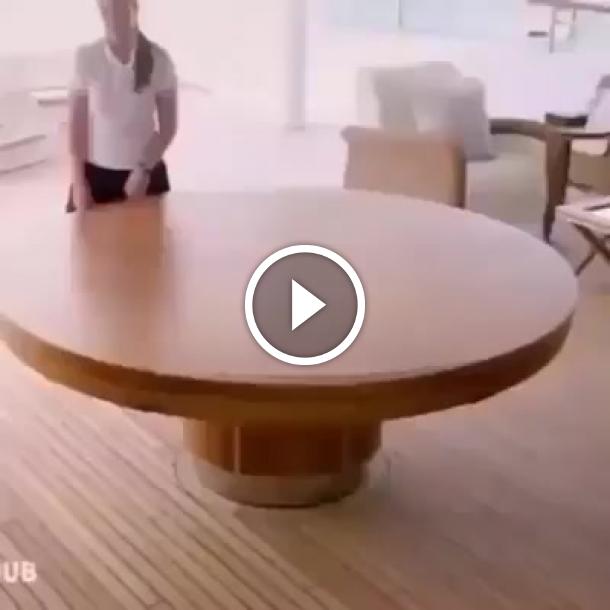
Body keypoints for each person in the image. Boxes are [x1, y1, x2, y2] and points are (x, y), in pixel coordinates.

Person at [67, 0, 178, 212]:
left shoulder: (160, 60)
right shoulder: (87, 57)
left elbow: (168, 127)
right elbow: (77, 128)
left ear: (134, 9)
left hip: (145, 177)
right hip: (97, 178)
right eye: (106, 11)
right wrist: (79, 183)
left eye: (120, 10)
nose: (113, 19)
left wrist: (143, 170)